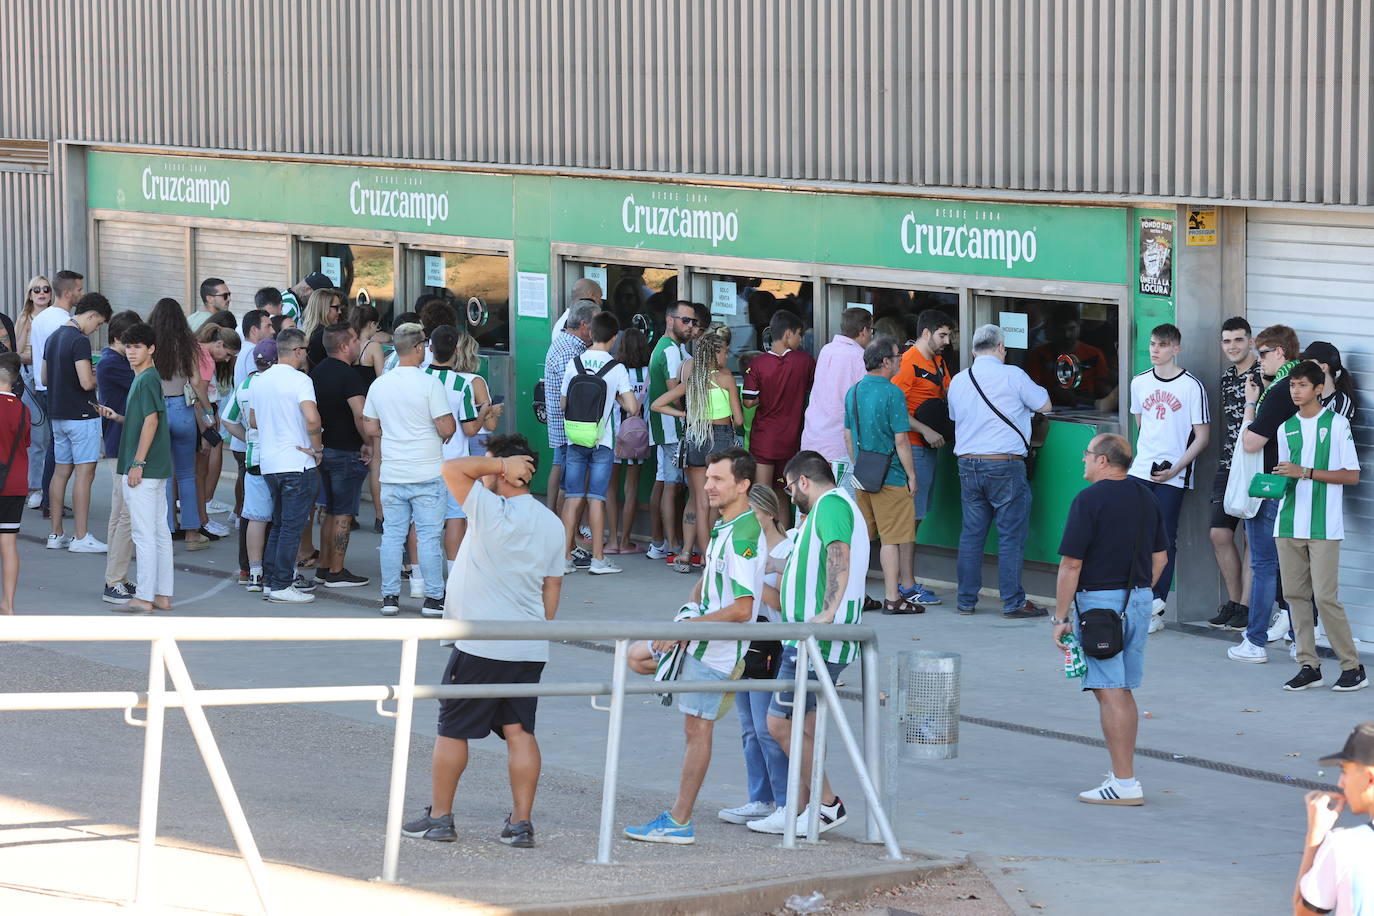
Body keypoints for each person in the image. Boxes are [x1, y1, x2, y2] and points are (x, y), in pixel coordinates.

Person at [402, 435, 563, 848]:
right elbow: (551, 597)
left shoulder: (490, 507)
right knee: (520, 731)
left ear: (506, 470)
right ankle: (520, 824)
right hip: (528, 644)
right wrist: (501, 465)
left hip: (481, 645)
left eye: (490, 465)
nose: (483, 472)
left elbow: (451, 469)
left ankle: (440, 818)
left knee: (452, 730)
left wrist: (498, 466)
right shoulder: (552, 521)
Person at [623, 448, 762, 845]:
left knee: (697, 729)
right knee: (637, 656)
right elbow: (709, 581)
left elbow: (742, 608)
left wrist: (685, 630)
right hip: (701, 640)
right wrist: (684, 616)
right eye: (708, 478)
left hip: (719, 650)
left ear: (743, 485)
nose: (708, 485)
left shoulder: (744, 535)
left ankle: (679, 820)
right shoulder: (725, 526)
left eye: (718, 479)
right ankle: (678, 819)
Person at [746, 451, 867, 837]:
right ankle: (807, 807)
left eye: (788, 485)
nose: (788, 494)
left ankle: (827, 804)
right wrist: (775, 566)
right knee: (805, 726)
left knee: (778, 722)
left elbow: (838, 555)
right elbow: (814, 561)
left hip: (816, 641)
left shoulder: (831, 505)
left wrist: (828, 612)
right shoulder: (825, 511)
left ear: (803, 481)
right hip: (809, 639)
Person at [1051, 433, 1167, 806]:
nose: (1083, 460)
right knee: (1122, 688)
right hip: (1138, 598)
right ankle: (1122, 775)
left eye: (1087, 454)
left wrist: (1059, 616)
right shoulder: (1146, 497)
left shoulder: (1088, 500)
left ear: (1103, 461)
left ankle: (1125, 782)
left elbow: (1071, 563)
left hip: (1100, 605)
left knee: (1109, 691)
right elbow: (1161, 558)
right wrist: (1138, 594)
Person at [1269, 362, 1366, 692]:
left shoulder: (1337, 425)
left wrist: (1305, 472)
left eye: (1301, 385)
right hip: (1288, 521)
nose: (1295, 390)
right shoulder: (1285, 428)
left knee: (1325, 598)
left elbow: (1351, 475)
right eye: (1292, 385)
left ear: (1318, 388)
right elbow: (1286, 473)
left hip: (1324, 525)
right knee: (1295, 596)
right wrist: (1270, 483)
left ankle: (1353, 668)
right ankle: (1308, 665)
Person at [947, 324, 1052, 618]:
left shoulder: (958, 380)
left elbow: (955, 416)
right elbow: (1046, 404)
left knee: (971, 534)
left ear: (973, 350)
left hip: (968, 464)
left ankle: (966, 600)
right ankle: (1013, 601)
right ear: (1001, 348)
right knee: (1010, 535)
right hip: (1004, 464)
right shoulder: (1013, 375)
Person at [362, 322, 455, 617]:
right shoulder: (429, 384)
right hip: (427, 473)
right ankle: (433, 599)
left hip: (392, 473)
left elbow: (371, 426)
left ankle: (389, 597)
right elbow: (447, 427)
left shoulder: (380, 385)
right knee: (428, 538)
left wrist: (393, 432)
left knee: (392, 536)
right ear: (417, 348)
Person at [1126, 323, 1210, 630]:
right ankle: (1137, 599)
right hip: (1141, 471)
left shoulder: (1191, 387)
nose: (1154, 350)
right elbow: (1142, 423)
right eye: (1152, 344)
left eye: (1162, 345)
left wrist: (1176, 467)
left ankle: (1156, 605)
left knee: (1163, 539)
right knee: (1134, 536)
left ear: (1176, 348)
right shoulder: (1139, 382)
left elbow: (1202, 436)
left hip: (1173, 476)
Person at [717, 482, 791, 826]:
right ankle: (759, 798)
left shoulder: (788, 550)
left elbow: (784, 605)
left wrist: (755, 578)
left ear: (769, 513)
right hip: (744, 642)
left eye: (753, 513)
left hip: (771, 643)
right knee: (749, 727)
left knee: (766, 728)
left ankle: (783, 802)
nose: (748, 519)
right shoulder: (743, 545)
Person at [1232, 324, 1303, 663]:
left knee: (1263, 564)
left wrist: (1250, 404)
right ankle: (1296, 637)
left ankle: (1255, 641)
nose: (1257, 360)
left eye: (1261, 353)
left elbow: (1251, 442)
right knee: (1293, 565)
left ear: (1280, 352)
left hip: (1271, 487)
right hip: (1297, 487)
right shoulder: (1301, 389)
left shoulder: (1279, 392)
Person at [652, 329, 743, 573]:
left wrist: (683, 414)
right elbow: (739, 419)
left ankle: (704, 558)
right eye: (724, 352)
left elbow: (657, 404)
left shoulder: (692, 381)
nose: (726, 356)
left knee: (701, 504)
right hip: (722, 440)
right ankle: (710, 557)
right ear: (716, 354)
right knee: (716, 505)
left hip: (696, 438)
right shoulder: (726, 379)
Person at [98, 322, 174, 613]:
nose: (131, 352)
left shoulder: (145, 380)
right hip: (155, 467)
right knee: (158, 532)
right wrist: (119, 418)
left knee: (144, 533)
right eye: (128, 347)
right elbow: (145, 419)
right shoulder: (148, 378)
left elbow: (151, 421)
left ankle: (144, 596)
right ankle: (162, 595)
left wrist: (137, 463)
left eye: (137, 347)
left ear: (151, 348)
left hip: (144, 467)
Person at [845, 337, 921, 614]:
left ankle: (857, 595)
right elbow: (901, 440)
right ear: (885, 362)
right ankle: (893, 598)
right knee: (891, 539)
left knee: (863, 538)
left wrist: (859, 463)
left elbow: (848, 434)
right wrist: (911, 474)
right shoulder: (892, 393)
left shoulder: (853, 391)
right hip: (891, 475)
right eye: (898, 355)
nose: (901, 359)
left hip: (863, 473)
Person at [559, 311, 638, 576]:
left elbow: (562, 403)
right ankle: (598, 559)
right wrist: (614, 398)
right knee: (596, 498)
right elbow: (633, 407)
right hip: (601, 441)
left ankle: (565, 558)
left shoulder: (575, 363)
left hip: (574, 438)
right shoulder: (616, 368)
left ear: (590, 333)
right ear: (614, 338)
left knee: (572, 497)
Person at [247, 327, 322, 604]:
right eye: (305, 350)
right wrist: (317, 448)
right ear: (298, 351)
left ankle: (271, 581)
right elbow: (312, 419)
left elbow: (253, 420)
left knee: (279, 524)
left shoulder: (259, 380)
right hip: (296, 461)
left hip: (269, 462)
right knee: (290, 526)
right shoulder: (301, 380)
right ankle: (280, 584)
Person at [892, 308, 957, 607]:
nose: (947, 341)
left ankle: (907, 583)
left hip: (929, 448)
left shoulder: (939, 362)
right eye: (943, 335)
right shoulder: (907, 363)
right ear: (927, 333)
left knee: (915, 519)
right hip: (915, 448)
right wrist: (926, 430)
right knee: (910, 521)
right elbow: (895, 408)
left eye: (950, 335)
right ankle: (907, 586)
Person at [425, 325, 501, 565]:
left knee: (423, 521)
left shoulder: (422, 377)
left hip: (424, 458)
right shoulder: (469, 383)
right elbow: (483, 427)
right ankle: (457, 569)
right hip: (459, 458)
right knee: (458, 516)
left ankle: (417, 575)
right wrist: (489, 412)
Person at [42, 291, 112, 553]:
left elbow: (45, 378)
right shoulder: (79, 340)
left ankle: (56, 533)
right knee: (85, 473)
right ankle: (81, 537)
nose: (97, 329)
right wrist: (94, 375)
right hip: (82, 416)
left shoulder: (53, 337)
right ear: (91, 315)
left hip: (58, 414)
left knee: (61, 472)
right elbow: (85, 383)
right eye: (99, 323)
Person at [145, 298, 212, 551]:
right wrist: (207, 413)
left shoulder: (148, 344)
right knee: (186, 473)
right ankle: (192, 533)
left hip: (158, 411)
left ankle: (166, 528)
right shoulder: (188, 345)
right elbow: (196, 382)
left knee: (164, 474)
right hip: (183, 410)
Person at [309, 322, 371, 588]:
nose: (359, 343)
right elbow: (360, 413)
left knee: (330, 511)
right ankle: (336, 570)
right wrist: (369, 442)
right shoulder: (350, 376)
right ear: (345, 346)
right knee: (344, 513)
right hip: (347, 451)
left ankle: (325, 566)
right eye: (356, 339)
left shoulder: (317, 372)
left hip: (324, 449)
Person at [1208, 317, 1260, 630]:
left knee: (1251, 539)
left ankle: (1246, 608)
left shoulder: (1262, 377)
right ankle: (1234, 601)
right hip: (1228, 465)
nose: (1232, 346)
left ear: (1250, 341)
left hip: (1255, 468)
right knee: (1219, 533)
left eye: (1238, 340)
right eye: (1227, 341)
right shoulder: (1227, 377)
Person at [1293, 722, 1374, 915]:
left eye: (1345, 771)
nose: (1341, 783)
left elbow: (1304, 912)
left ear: (1370, 778)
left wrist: (1315, 838)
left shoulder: (1347, 846)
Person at [742, 309, 816, 509]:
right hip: (791, 440)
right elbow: (813, 389)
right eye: (799, 334)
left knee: (761, 496)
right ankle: (783, 540)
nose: (801, 340)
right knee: (783, 495)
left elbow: (748, 401)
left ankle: (761, 541)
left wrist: (766, 397)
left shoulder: (758, 363)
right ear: (788, 334)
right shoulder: (805, 362)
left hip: (764, 439)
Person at [644, 300, 699, 563]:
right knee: (672, 485)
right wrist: (687, 415)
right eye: (685, 320)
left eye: (693, 322)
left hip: (667, 426)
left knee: (668, 483)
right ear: (670, 321)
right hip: (671, 427)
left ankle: (664, 542)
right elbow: (676, 392)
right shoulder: (670, 351)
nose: (690, 326)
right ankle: (673, 544)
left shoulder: (670, 348)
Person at [221, 339, 276, 593]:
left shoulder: (245, 385)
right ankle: (280, 572)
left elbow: (227, 419)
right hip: (280, 459)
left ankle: (252, 572)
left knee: (253, 516)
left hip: (253, 457)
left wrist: (247, 438)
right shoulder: (279, 384)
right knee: (282, 518)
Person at [31, 270, 84, 516]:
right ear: (67, 292)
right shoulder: (59, 321)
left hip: (46, 387)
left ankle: (49, 499)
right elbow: (60, 358)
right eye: (79, 289)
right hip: (55, 388)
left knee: (56, 443)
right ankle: (51, 501)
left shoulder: (44, 317)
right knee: (59, 446)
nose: (81, 294)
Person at [97, 311, 141, 604]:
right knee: (125, 515)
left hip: (119, 443)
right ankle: (114, 580)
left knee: (119, 514)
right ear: (117, 340)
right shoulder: (114, 364)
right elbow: (147, 379)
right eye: (132, 343)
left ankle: (117, 578)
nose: (135, 350)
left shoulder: (112, 360)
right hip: (120, 443)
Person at [802, 306, 872, 489]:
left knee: (808, 501)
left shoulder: (826, 350)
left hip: (812, 439)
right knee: (842, 504)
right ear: (864, 331)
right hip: (839, 446)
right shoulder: (860, 357)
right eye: (871, 330)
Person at [542, 299, 599, 511]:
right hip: (570, 429)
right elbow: (577, 395)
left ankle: (557, 526)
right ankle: (564, 532)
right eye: (596, 323)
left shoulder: (566, 343)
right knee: (569, 487)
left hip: (565, 429)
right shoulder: (570, 351)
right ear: (584, 325)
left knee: (563, 477)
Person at [606, 326, 651, 555]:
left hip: (614, 435)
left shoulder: (616, 369)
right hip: (638, 436)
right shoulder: (648, 373)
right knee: (631, 489)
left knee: (611, 488)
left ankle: (612, 541)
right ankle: (626, 542)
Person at [194, 323, 239, 536]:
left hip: (201, 411)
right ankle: (201, 520)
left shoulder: (196, 350)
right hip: (202, 412)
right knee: (199, 470)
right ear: (219, 344)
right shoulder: (205, 357)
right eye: (228, 354)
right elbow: (199, 391)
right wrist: (208, 418)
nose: (228, 359)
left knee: (195, 471)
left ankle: (199, 519)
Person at [17, 275, 53, 509]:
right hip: (29, 376)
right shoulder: (24, 319)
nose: (41, 293)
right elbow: (17, 352)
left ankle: (47, 487)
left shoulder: (56, 317)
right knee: (38, 435)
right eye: (36, 290)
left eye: (46, 289)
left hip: (51, 378)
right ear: (30, 295)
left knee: (52, 435)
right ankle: (35, 488)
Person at [1028, 305, 1113, 406]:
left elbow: (1103, 392)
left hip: (1087, 410)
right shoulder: (1040, 354)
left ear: (1079, 325)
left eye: (1071, 329)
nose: (1067, 334)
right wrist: (1053, 392)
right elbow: (1031, 390)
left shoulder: (1095, 354)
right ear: (1054, 329)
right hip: (1049, 407)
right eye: (1061, 329)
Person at [0, 352, 30, 614]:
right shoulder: (23, 409)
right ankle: (8, 605)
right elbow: (25, 443)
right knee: (8, 545)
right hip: (15, 483)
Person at [302, 288, 344, 368]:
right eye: (336, 308)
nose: (339, 312)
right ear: (324, 308)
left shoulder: (311, 332)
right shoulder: (324, 335)